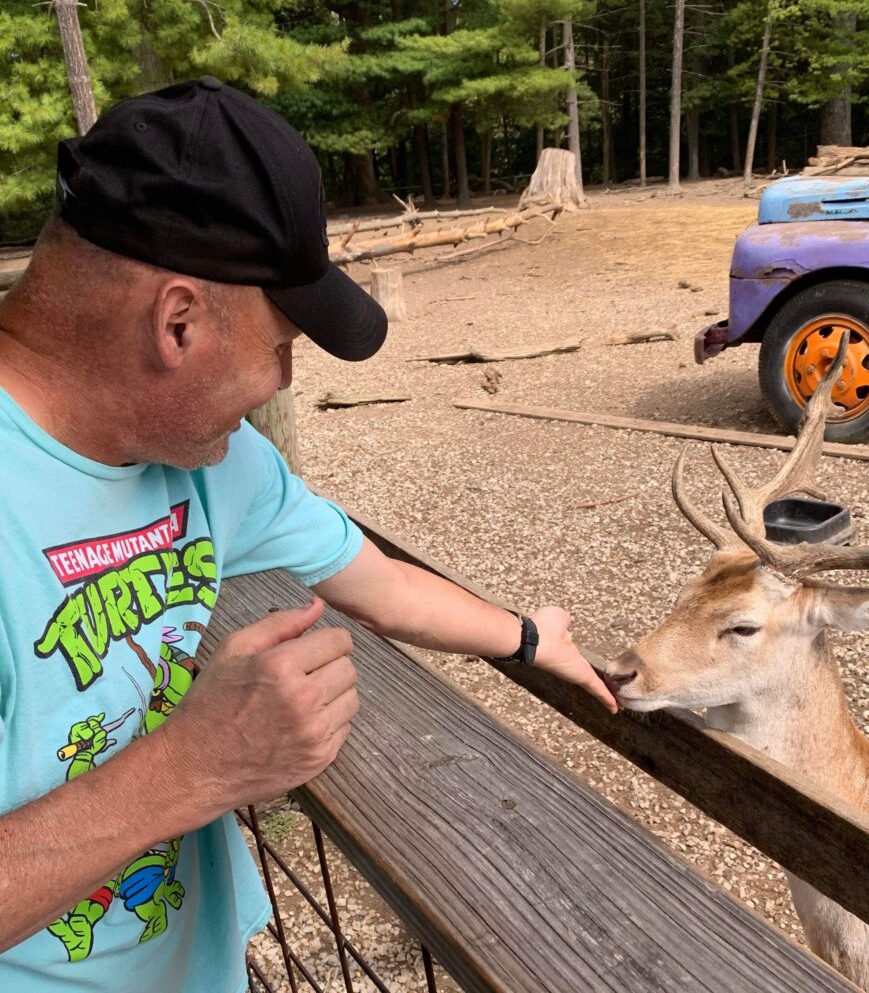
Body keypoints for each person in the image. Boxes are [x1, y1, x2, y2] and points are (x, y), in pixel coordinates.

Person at [0, 77, 617, 993]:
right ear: (178, 323)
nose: (286, 378)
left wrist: (528, 636)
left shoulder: (214, 464)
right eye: (284, 340)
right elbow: (192, 767)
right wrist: (195, 767)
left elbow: (373, 579)